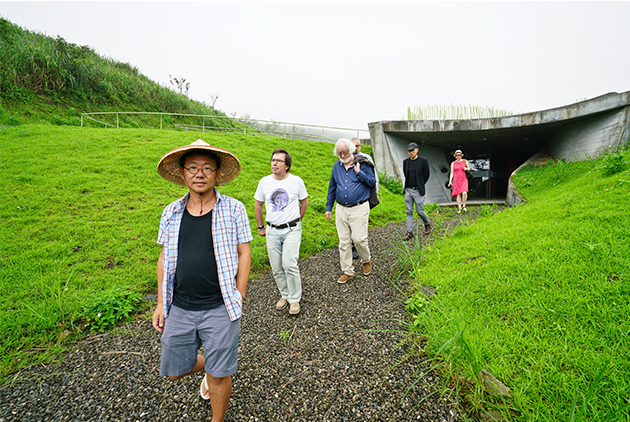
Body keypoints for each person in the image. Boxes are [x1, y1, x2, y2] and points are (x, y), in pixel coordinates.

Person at [153, 139, 252, 422]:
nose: (200, 174)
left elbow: (244, 253)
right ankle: (215, 364)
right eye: (193, 168)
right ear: (182, 173)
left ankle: (216, 418)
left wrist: (239, 294)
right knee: (174, 370)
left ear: (217, 174)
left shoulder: (233, 209)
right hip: (180, 306)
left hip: (221, 306)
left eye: (207, 168)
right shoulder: (170, 212)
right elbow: (163, 258)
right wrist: (161, 303)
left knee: (220, 378)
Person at [254, 148, 308, 315]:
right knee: (276, 267)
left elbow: (304, 202)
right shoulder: (264, 182)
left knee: (289, 264)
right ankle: (284, 295)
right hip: (271, 230)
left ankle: (294, 299)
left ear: (287, 166)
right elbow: (258, 205)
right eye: (272, 160)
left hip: (291, 229)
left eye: (278, 161)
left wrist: (296, 221)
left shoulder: (296, 181)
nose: (274, 163)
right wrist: (261, 226)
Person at [325, 138, 376, 283]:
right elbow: (332, 187)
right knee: (344, 241)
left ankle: (366, 260)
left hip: (359, 207)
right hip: (341, 209)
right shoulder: (336, 167)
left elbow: (372, 182)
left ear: (351, 149)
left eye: (345, 152)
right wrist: (329, 207)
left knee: (359, 239)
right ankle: (347, 271)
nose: (342, 155)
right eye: (339, 153)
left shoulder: (363, 163)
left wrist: (359, 173)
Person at [350, 138, 378, 260]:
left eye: (356, 146)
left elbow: (373, 176)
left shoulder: (366, 159)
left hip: (364, 195)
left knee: (361, 222)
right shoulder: (346, 158)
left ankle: (359, 246)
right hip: (351, 197)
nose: (355, 148)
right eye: (352, 146)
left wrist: (375, 192)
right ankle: (352, 245)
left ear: (360, 146)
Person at [403, 142, 431, 240]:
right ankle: (409, 231)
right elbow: (405, 174)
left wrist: (421, 184)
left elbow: (426, 174)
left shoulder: (423, 161)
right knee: (409, 212)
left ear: (417, 150)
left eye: (413, 150)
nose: (411, 153)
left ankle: (427, 224)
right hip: (408, 190)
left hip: (418, 190)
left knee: (420, 211)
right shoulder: (406, 162)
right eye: (409, 151)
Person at [448, 149, 471, 213]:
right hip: (456, 180)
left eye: (459, 155)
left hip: (463, 179)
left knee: (464, 192)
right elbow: (452, 173)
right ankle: (459, 208)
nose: (458, 157)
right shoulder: (453, 163)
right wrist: (450, 181)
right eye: (457, 155)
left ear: (461, 156)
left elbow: (469, 168)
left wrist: (466, 168)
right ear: (455, 156)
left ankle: (464, 206)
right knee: (458, 194)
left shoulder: (464, 161)